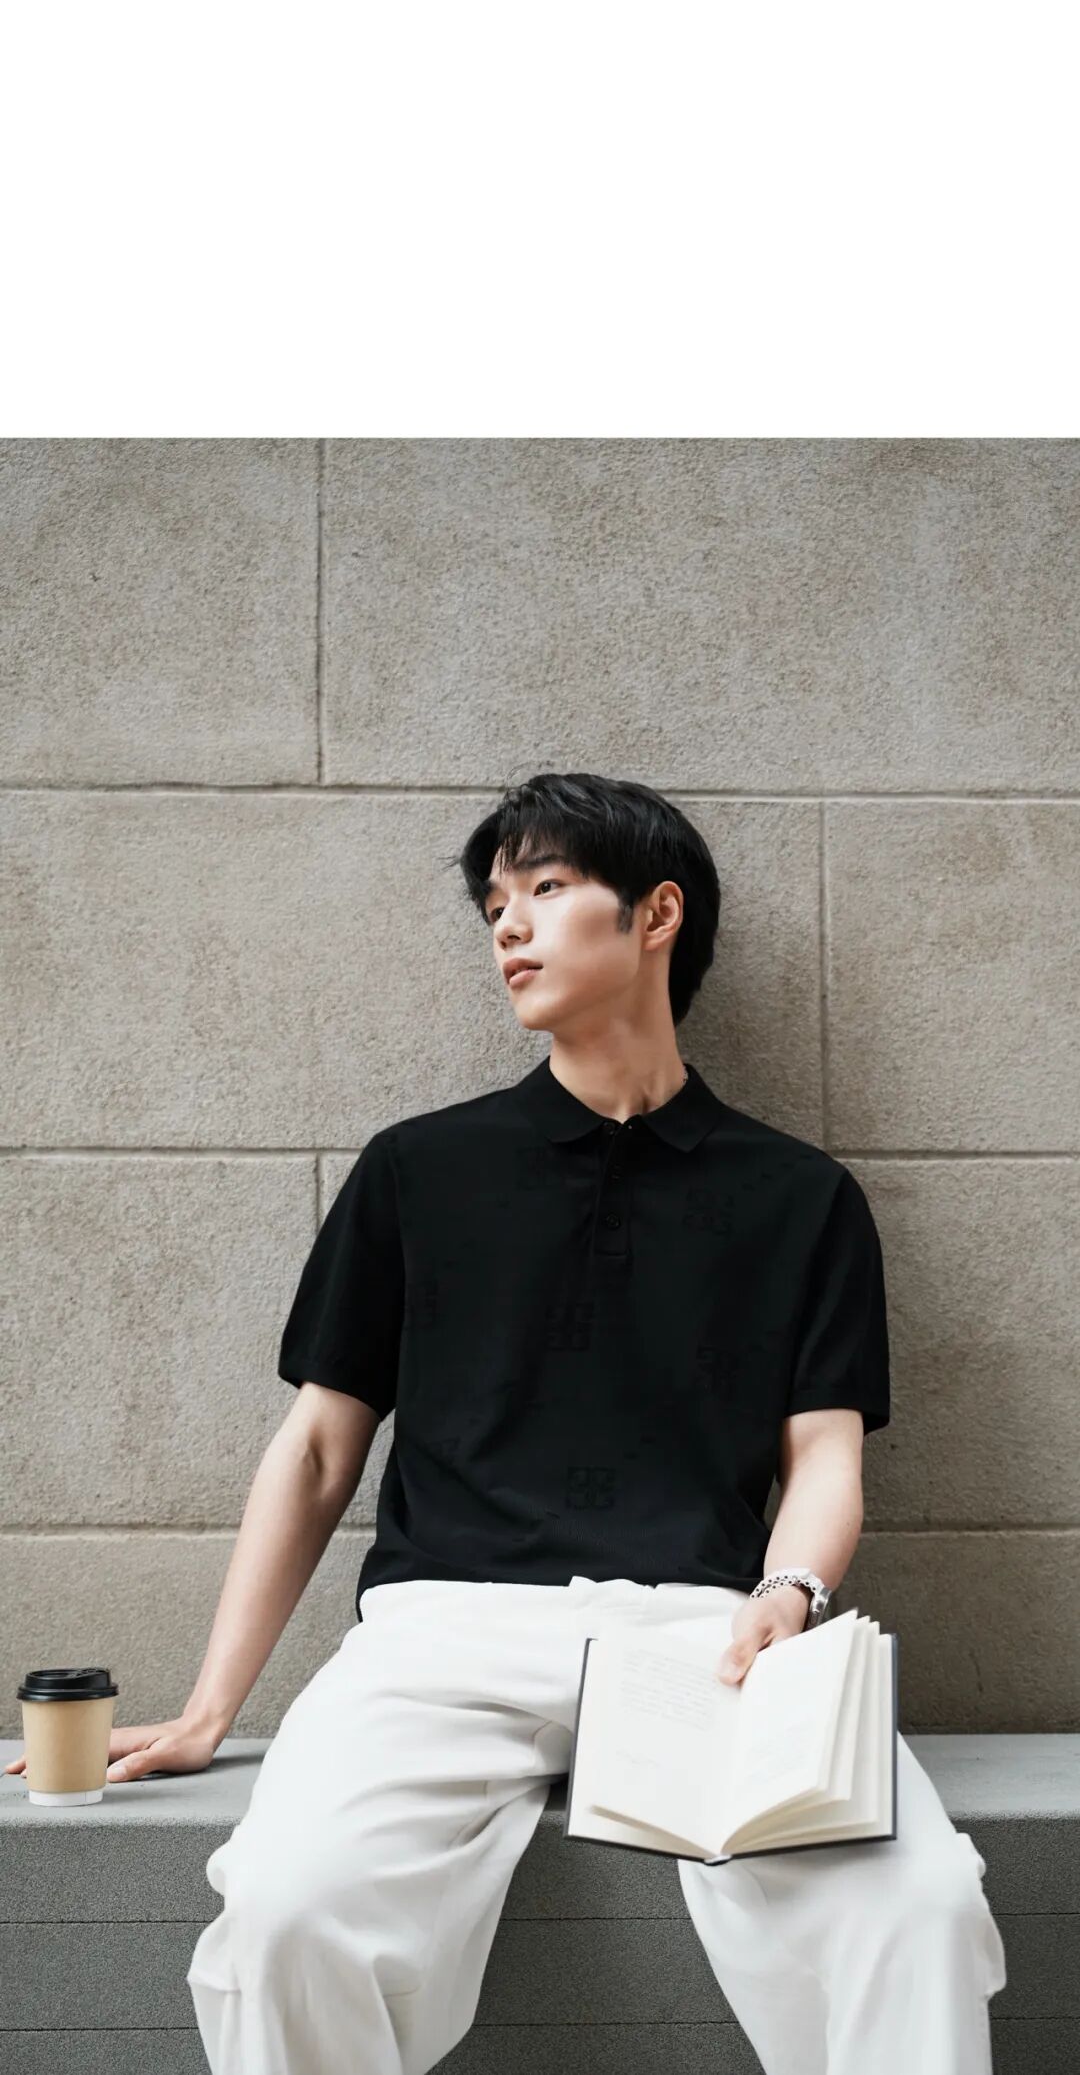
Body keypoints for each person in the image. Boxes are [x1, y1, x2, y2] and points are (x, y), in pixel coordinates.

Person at [7, 769, 1005, 2073]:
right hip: (439, 1638)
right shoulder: (416, 1170)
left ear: (657, 914)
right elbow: (316, 1450)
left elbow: (825, 1457)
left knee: (921, 1909)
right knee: (286, 1912)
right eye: (493, 906)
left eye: (545, 887)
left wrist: (789, 1593)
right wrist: (209, 1707)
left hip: (704, 1643)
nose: (509, 927)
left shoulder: (801, 1197)